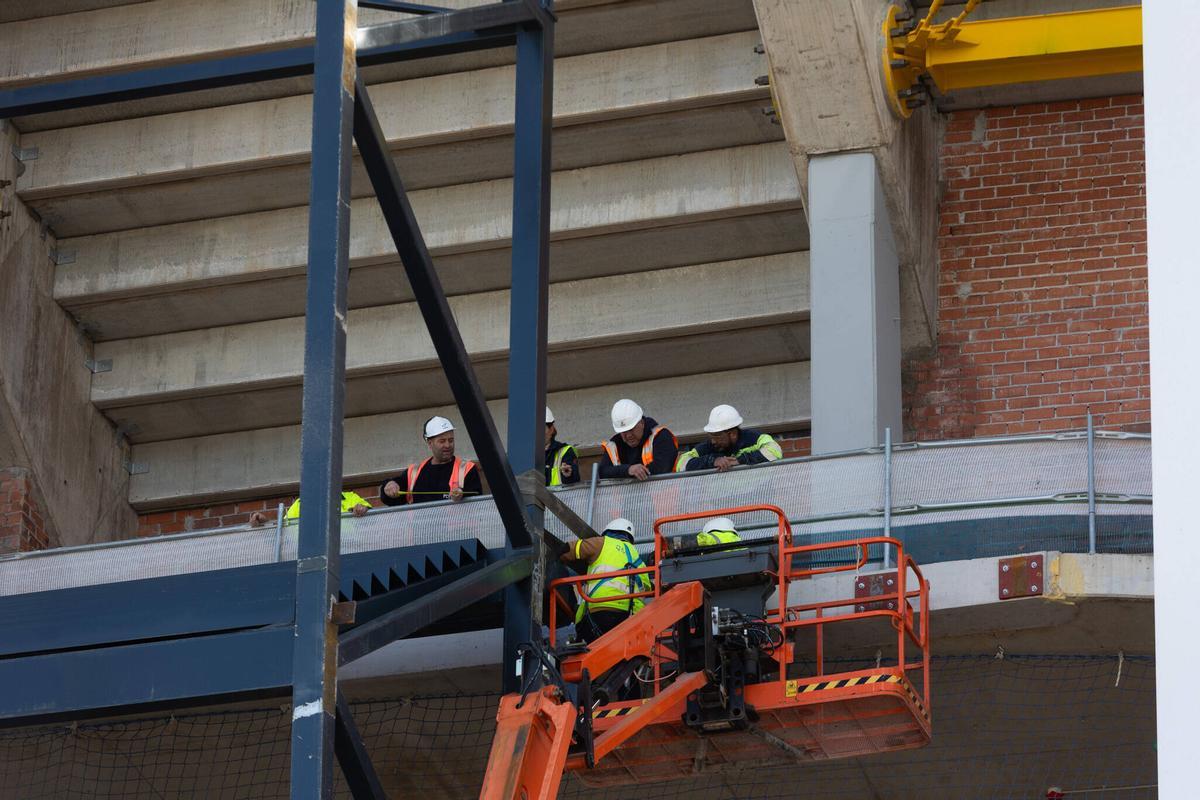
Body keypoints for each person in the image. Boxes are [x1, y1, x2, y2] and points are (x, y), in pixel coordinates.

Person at [559, 517, 652, 643]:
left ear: (608, 531)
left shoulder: (602, 542)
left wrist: (556, 555)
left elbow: (570, 550)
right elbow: (648, 588)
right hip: (631, 618)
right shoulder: (639, 561)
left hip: (600, 613)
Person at [378, 416, 481, 506]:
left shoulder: (466, 468)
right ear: (429, 443)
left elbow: (478, 497)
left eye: (451, 440)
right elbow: (391, 500)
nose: (448, 445)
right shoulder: (413, 472)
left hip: (460, 529)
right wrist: (388, 487)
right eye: (442, 441)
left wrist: (463, 495)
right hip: (422, 528)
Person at [674, 404, 783, 472]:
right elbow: (681, 464)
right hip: (723, 505)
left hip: (757, 500)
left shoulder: (753, 438)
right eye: (711, 436)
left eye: (717, 436)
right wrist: (712, 461)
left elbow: (776, 451)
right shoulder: (709, 447)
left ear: (732, 434)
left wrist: (739, 461)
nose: (713, 441)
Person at [599, 399, 678, 481]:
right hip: (628, 494)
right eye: (624, 432)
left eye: (632, 429)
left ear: (642, 423)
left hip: (661, 492)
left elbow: (662, 467)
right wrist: (628, 470)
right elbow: (603, 472)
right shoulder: (614, 445)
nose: (629, 435)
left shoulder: (660, 436)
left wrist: (637, 472)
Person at [248, 490, 370, 526]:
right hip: (307, 556)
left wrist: (362, 509)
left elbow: (372, 517)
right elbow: (283, 530)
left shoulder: (350, 497)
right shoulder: (301, 503)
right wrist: (265, 523)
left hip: (350, 549)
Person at [545, 407, 580, 487]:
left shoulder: (566, 451)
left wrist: (568, 475)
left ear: (551, 429)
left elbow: (575, 480)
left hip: (558, 499)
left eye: (541, 428)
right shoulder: (528, 454)